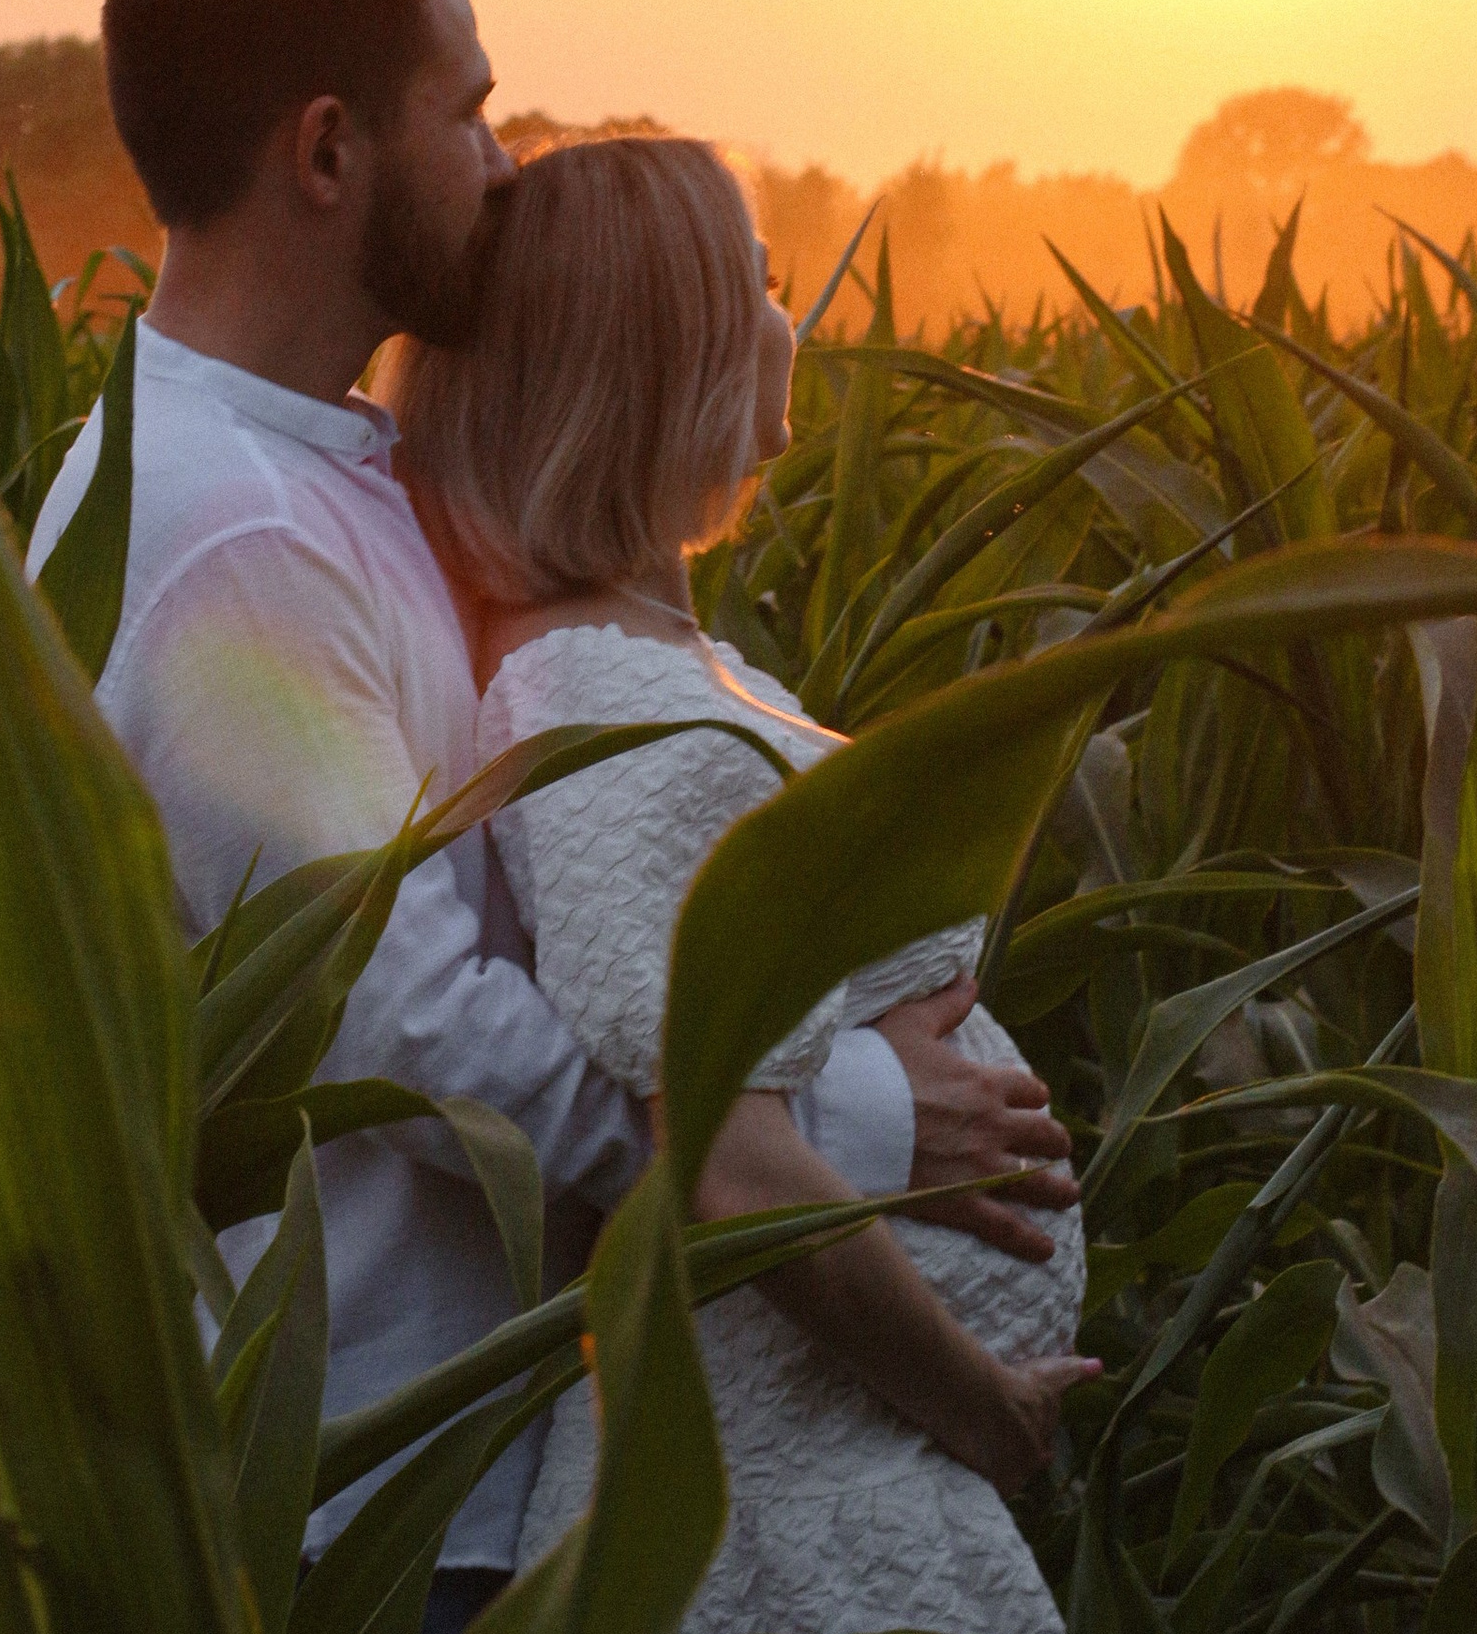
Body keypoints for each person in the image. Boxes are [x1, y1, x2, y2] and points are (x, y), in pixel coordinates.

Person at [27, 0, 1080, 1631]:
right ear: (328, 151)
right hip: (382, 1507)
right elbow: (411, 1023)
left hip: (490, 1469)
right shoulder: (226, 539)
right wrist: (855, 1117)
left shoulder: (321, 470)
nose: (504, 165)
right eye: (472, 116)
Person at [383, 134, 1093, 1632]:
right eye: (761, 284)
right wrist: (983, 1407)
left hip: (829, 1479)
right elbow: (720, 1152)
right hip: (782, 1522)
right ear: (665, 356)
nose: (790, 319)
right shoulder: (597, 698)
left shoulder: (651, 658)